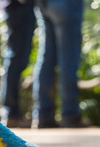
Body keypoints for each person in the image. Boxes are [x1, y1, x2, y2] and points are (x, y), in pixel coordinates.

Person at [32, 0, 85, 128]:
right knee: (69, 58)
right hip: (66, 4)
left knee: (46, 57)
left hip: (43, 4)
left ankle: (43, 114)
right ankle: (70, 113)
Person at [0, 0, 36, 128]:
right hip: (18, 6)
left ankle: (11, 113)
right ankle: (11, 112)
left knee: (18, 59)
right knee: (15, 58)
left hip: (18, 6)